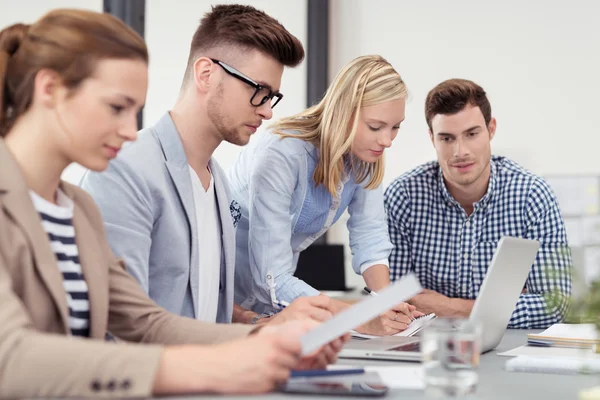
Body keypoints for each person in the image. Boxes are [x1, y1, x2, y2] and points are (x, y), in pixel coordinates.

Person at [0, 9, 344, 398]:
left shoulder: (77, 208)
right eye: (116, 107)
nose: (130, 131)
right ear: (50, 89)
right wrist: (221, 364)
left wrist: (264, 340)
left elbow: (144, 321)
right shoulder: (120, 175)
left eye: (134, 111)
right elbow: (10, 356)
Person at [80, 4, 335, 326]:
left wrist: (259, 325)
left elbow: (201, 302)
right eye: (259, 91)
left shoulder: (219, 183)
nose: (268, 111)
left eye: (272, 97)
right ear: (206, 74)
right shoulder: (125, 169)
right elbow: (122, 323)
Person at [228, 55, 423, 336]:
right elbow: (271, 278)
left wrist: (386, 304)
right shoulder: (281, 153)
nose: (387, 140)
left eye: (395, 127)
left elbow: (370, 235)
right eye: (376, 127)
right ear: (343, 112)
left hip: (269, 309)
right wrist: (360, 317)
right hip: (223, 298)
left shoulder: (366, 156)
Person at [384, 78, 572, 329]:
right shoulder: (403, 197)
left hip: (510, 351)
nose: (460, 151)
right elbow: (393, 304)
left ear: (491, 129)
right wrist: (502, 307)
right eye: (447, 139)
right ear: (432, 138)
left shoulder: (531, 196)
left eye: (471, 134)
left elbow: (555, 304)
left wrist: (450, 308)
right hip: (428, 350)